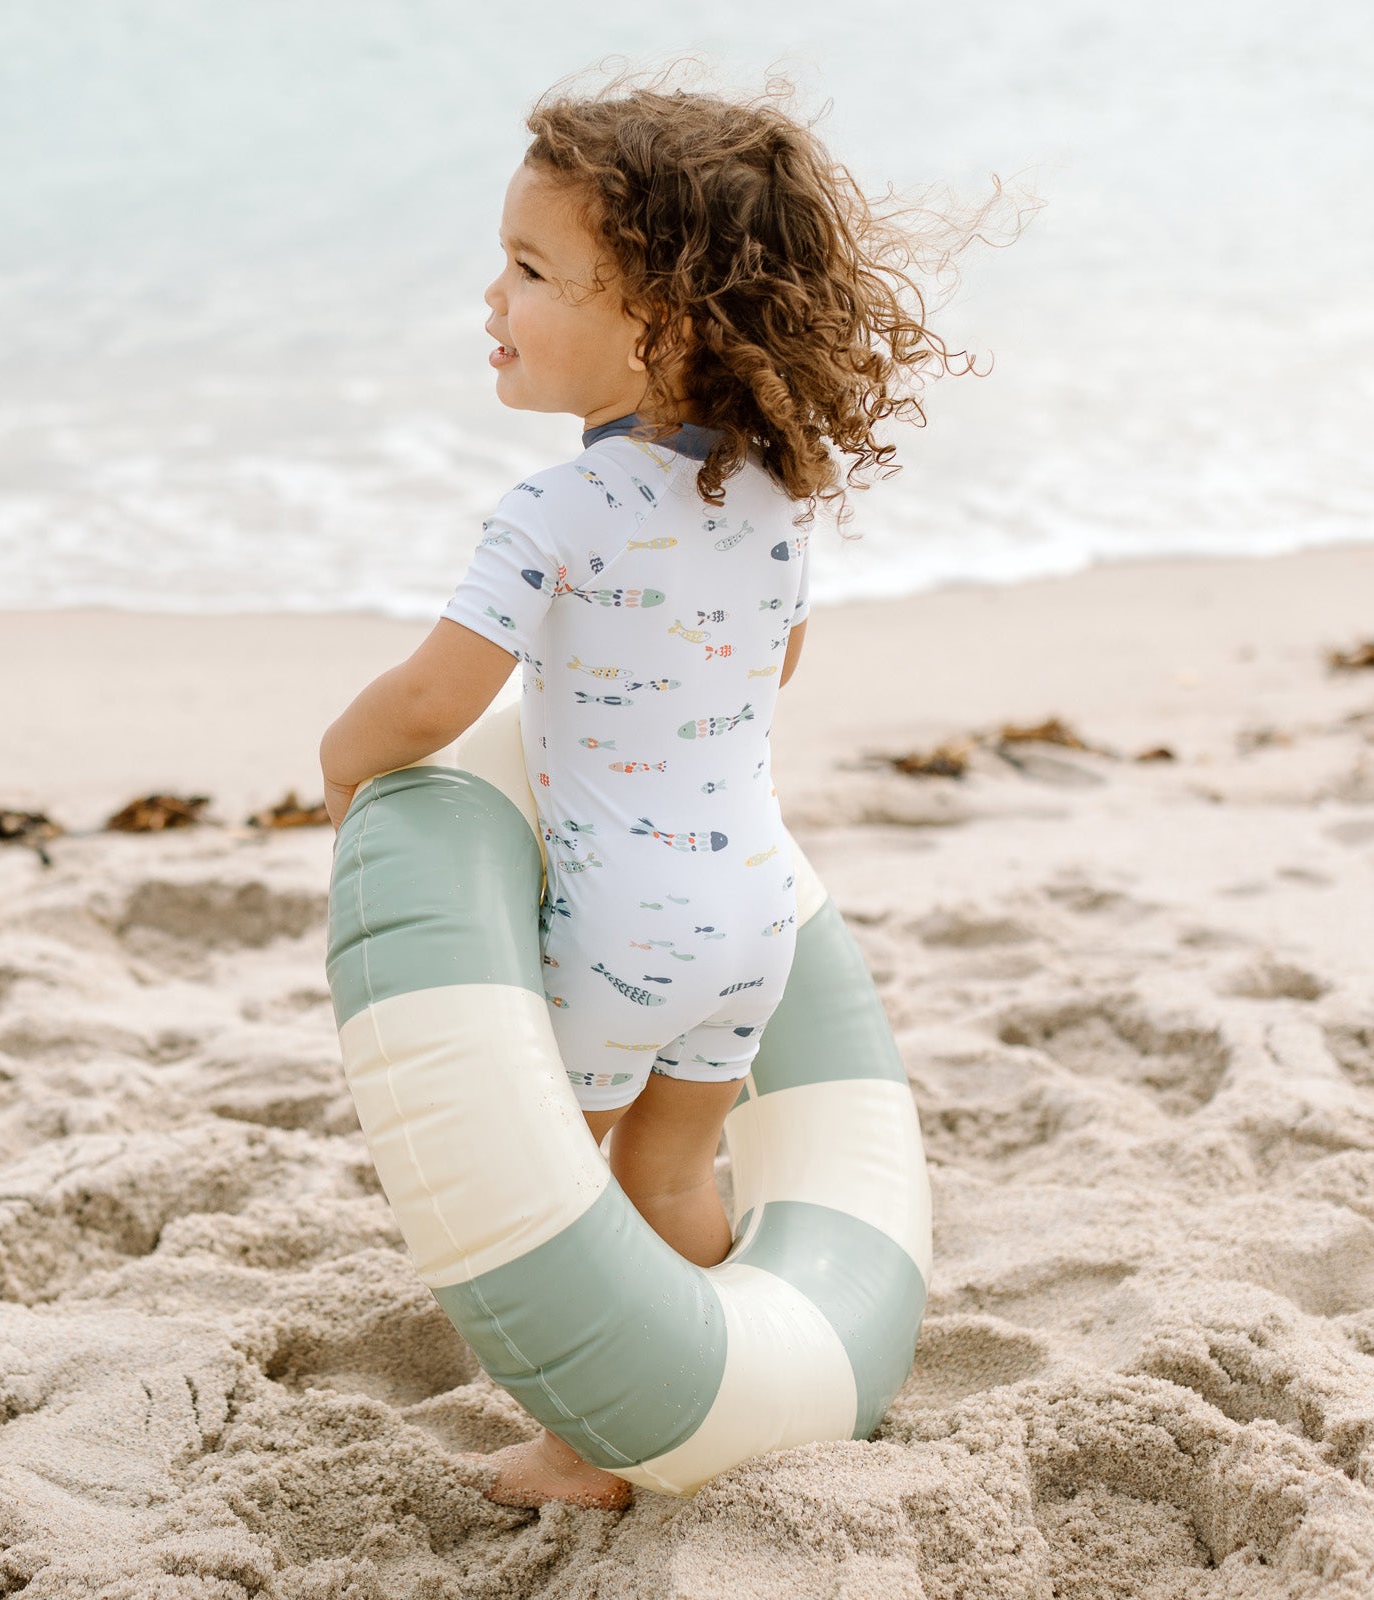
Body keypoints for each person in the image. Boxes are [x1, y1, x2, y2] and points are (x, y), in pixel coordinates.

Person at [317, 75, 970, 1510]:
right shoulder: (773, 499)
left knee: (561, 1202)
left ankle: (589, 1449)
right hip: (752, 920)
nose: (491, 294)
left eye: (533, 272)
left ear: (662, 326)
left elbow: (440, 698)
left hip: (613, 931)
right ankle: (725, 1388)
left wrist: (344, 764)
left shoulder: (554, 512)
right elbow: (768, 664)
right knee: (671, 1181)